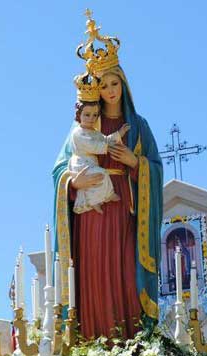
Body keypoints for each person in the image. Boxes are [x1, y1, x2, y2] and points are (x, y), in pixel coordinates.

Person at [52, 12, 163, 340]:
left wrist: (135, 162)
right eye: (103, 85)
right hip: (92, 214)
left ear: (123, 84)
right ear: (95, 89)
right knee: (94, 274)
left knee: (125, 275)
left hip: (125, 211)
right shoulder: (82, 128)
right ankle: (96, 340)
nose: (110, 90)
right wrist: (72, 183)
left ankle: (131, 341)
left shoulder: (139, 126)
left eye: (115, 83)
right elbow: (59, 168)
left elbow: (155, 168)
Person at [68, 98, 130, 214]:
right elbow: (91, 145)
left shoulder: (94, 132)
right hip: (81, 165)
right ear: (78, 115)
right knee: (99, 175)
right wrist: (106, 148)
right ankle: (94, 201)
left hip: (90, 163)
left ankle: (105, 196)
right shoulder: (78, 133)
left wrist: (119, 133)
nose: (91, 118)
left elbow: (106, 139)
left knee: (101, 176)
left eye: (95, 115)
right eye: (87, 115)